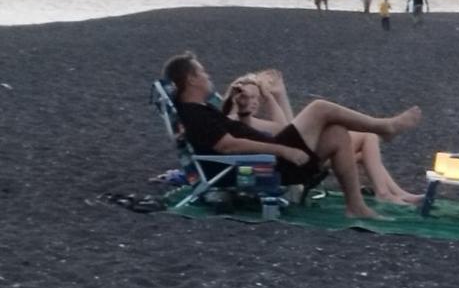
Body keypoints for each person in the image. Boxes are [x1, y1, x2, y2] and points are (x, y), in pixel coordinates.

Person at [162, 52, 421, 219]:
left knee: (337, 133)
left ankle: (356, 207)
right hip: (266, 164)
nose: (208, 76)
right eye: (203, 73)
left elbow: (232, 133)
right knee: (319, 108)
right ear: (192, 79)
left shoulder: (200, 110)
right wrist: (283, 150)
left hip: (270, 157)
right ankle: (384, 127)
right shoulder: (193, 114)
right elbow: (228, 146)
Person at [222, 71, 421, 205]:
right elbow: (284, 129)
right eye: (248, 97)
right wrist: (265, 96)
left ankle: (390, 191)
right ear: (235, 98)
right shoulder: (233, 121)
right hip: (286, 168)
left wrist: (276, 96)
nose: (254, 102)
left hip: (292, 159)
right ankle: (386, 190)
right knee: (322, 111)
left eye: (257, 98)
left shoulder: (252, 122)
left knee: (367, 137)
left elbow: (286, 130)